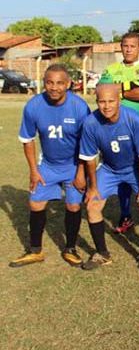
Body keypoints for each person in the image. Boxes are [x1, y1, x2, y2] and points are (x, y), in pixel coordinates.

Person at [10, 64, 91, 268]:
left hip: (73, 165)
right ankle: (35, 251)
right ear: (44, 83)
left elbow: (87, 144)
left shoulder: (80, 107)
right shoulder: (34, 106)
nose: (54, 87)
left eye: (59, 83)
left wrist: (82, 172)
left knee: (73, 205)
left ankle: (70, 248)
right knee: (36, 203)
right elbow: (27, 139)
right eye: (49, 82)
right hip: (48, 164)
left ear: (68, 84)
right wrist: (33, 171)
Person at [78, 84, 139, 271]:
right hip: (110, 169)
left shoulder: (134, 120)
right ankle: (102, 254)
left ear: (119, 100)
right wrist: (93, 187)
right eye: (102, 101)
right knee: (92, 205)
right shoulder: (90, 123)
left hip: (135, 168)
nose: (106, 106)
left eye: (111, 101)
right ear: (96, 102)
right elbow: (89, 159)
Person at [99, 32, 139, 234]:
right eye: (125, 46)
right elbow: (102, 90)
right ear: (121, 47)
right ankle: (125, 215)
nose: (128, 49)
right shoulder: (111, 69)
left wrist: (119, 90)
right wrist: (132, 88)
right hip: (115, 130)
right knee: (120, 169)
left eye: (133, 46)